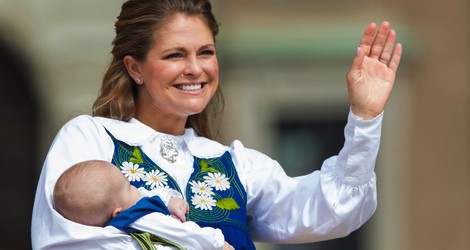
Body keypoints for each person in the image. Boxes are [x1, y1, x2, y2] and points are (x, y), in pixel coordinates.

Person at [31, 0, 403, 249]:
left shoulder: (235, 163)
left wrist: (365, 119)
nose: (196, 68)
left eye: (205, 52)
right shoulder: (90, 138)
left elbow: (331, 210)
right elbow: (68, 242)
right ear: (135, 68)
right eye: (175, 54)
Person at [53, 160, 234, 250]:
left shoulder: (123, 214)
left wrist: (169, 201)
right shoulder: (140, 218)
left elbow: (148, 195)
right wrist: (216, 241)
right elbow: (181, 232)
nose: (136, 188)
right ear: (118, 212)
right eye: (129, 186)